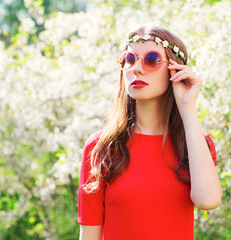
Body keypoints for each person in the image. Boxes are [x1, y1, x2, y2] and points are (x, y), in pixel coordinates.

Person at [78, 26, 222, 240]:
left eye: (152, 59)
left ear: (174, 70)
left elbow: (208, 199)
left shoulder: (195, 144)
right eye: (129, 59)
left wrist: (187, 108)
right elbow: (89, 236)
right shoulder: (101, 147)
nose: (137, 68)